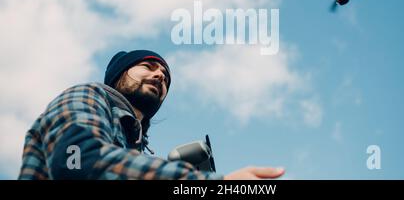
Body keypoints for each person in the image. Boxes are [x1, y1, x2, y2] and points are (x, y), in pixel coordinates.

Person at [18, 50, 285, 180]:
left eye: (166, 77)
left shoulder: (136, 152)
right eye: (148, 66)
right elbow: (75, 163)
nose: (159, 75)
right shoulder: (89, 94)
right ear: (119, 75)